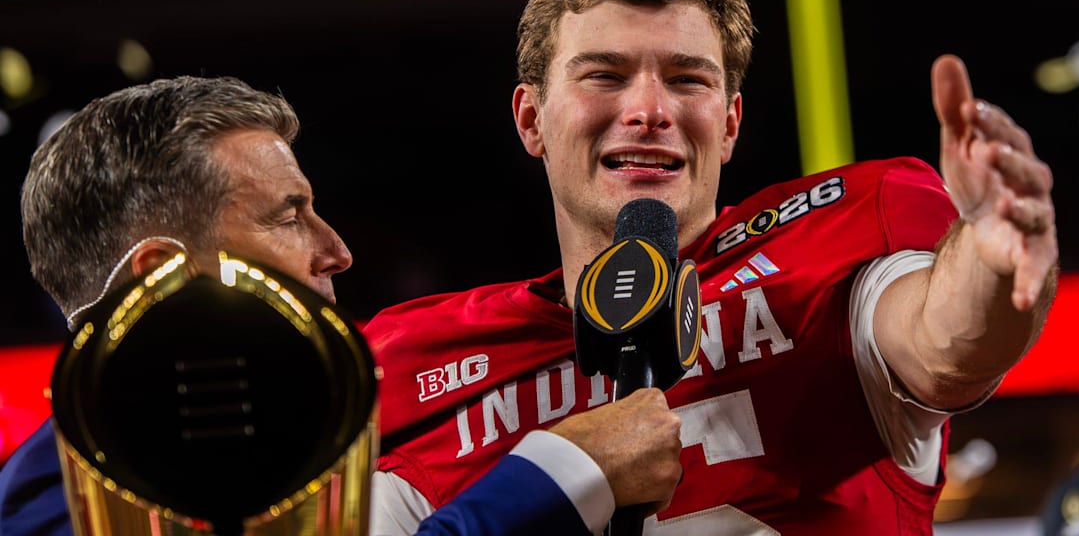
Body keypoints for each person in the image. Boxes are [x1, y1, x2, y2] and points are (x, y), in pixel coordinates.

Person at [362, 0, 1060, 535]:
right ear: (531, 120)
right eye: (604, 75)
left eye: (686, 79)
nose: (648, 110)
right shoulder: (409, 365)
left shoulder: (823, 247)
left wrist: (992, 258)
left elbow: (944, 344)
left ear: (728, 124)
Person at [0, 75, 684, 536]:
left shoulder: (264, 445)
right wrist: (561, 478)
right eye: (289, 215)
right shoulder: (58, 495)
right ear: (162, 281)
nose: (337, 251)